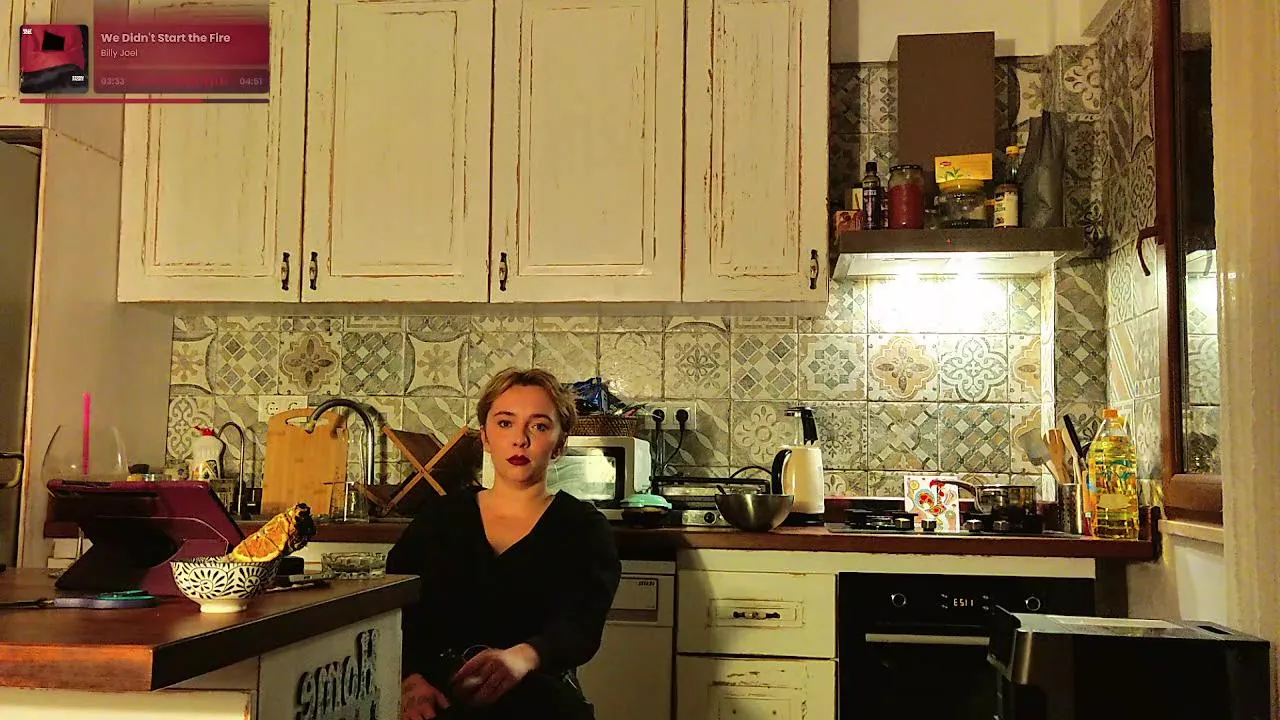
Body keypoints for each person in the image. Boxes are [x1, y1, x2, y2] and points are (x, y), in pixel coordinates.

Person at [388, 367, 622, 720]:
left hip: (540, 703)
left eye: (539, 426)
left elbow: (582, 625)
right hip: (437, 702)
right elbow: (396, 609)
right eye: (505, 423)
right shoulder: (440, 518)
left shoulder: (583, 527)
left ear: (559, 444)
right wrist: (410, 679)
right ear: (485, 436)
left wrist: (523, 657)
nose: (520, 439)